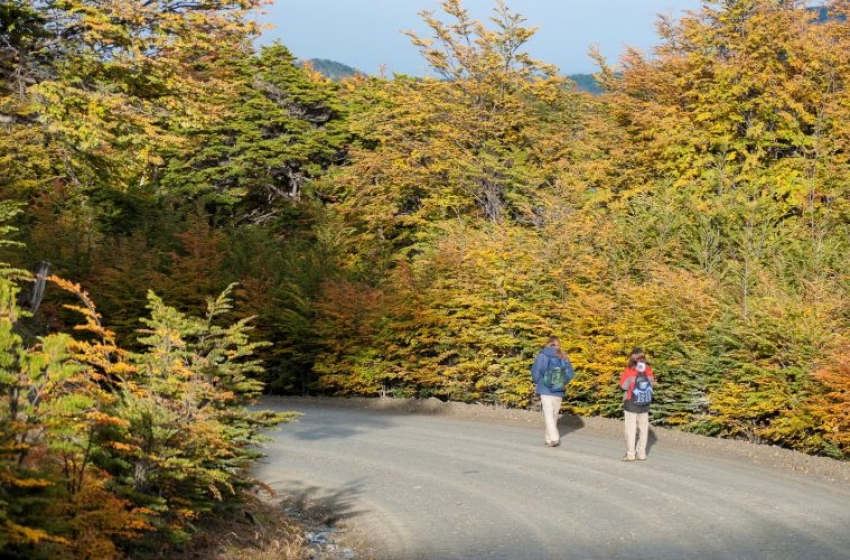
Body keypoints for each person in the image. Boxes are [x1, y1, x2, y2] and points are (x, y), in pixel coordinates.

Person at [530, 336, 574, 447]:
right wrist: (562, 381)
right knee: (553, 415)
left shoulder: (542, 355)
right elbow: (570, 373)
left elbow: (536, 371)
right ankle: (548, 438)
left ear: (548, 343)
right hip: (558, 389)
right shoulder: (564, 356)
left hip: (545, 389)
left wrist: (539, 381)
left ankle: (554, 438)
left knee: (548, 414)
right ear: (558, 344)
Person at [618, 347, 655, 461]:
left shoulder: (629, 370)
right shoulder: (648, 369)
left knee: (631, 429)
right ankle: (642, 453)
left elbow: (623, 386)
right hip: (644, 402)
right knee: (643, 429)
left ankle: (630, 454)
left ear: (632, 357)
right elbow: (651, 385)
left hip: (631, 402)